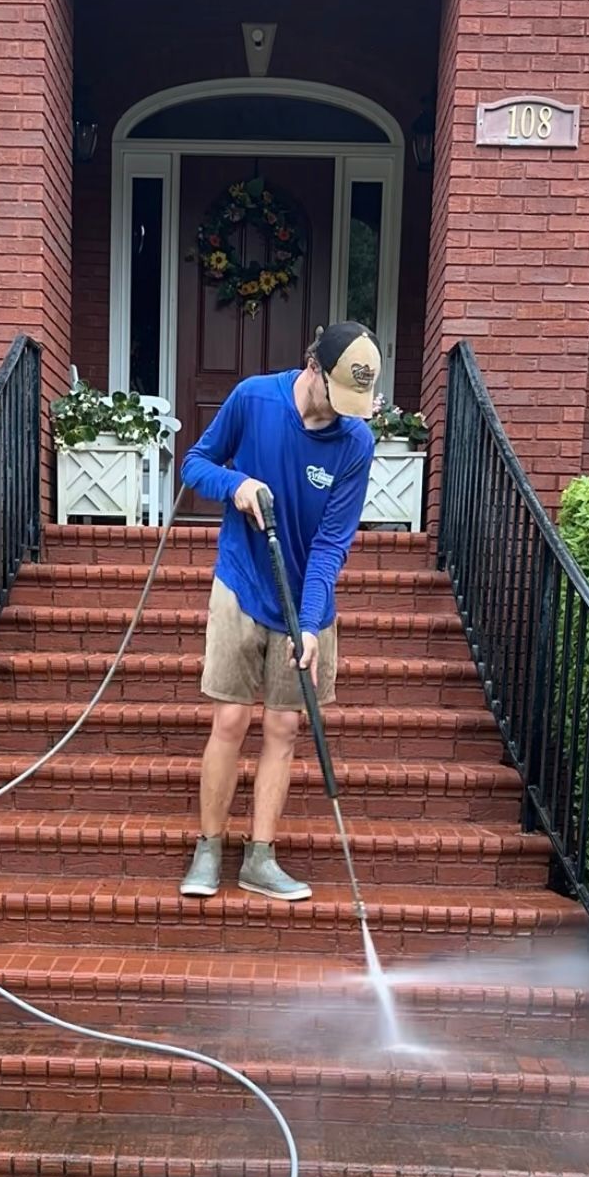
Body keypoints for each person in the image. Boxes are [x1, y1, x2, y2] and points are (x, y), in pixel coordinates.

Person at [178, 319, 379, 903]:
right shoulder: (254, 398)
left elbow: (331, 544)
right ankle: (209, 848)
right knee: (230, 719)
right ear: (314, 366)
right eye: (337, 395)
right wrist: (236, 484)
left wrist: (310, 623)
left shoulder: (355, 443)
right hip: (242, 582)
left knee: (285, 726)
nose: (343, 413)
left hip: (305, 597)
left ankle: (260, 858)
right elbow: (195, 463)